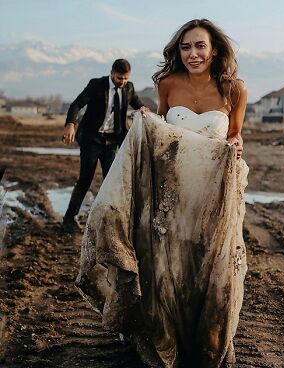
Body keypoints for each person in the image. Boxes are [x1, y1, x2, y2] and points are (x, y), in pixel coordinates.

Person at [75, 19, 248, 367]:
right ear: (177, 51)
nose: (193, 54)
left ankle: (210, 340)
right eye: (186, 47)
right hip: (173, 194)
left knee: (212, 268)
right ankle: (168, 337)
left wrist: (236, 145)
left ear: (214, 49)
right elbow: (163, 132)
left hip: (214, 195)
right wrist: (146, 119)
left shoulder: (235, 90)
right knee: (168, 268)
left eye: (200, 46)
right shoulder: (167, 83)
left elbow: (235, 136)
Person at [62, 59, 148, 232]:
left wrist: (143, 110)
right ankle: (69, 219)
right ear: (112, 72)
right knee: (85, 179)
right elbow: (76, 104)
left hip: (112, 142)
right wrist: (70, 124)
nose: (122, 82)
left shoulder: (129, 88)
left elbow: (140, 106)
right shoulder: (97, 85)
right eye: (119, 78)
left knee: (112, 181)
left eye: (125, 78)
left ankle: (108, 220)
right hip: (92, 139)